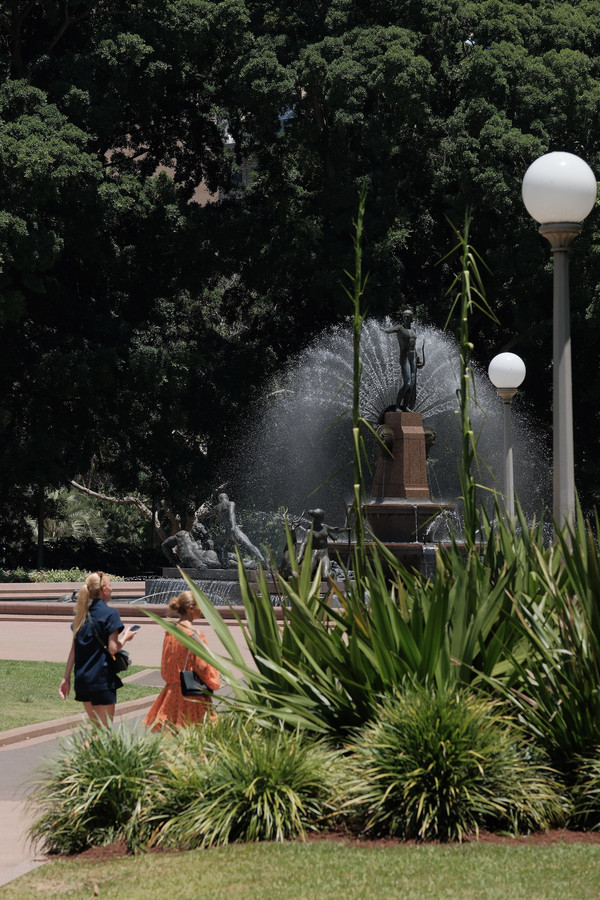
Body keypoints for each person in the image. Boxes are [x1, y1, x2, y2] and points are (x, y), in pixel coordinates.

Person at [59, 571, 137, 727]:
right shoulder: (110, 614)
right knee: (104, 731)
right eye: (110, 585)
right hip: (102, 679)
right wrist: (125, 638)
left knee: (96, 728)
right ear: (104, 590)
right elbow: (113, 649)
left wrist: (66, 678)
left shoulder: (81, 615)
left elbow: (73, 650)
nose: (112, 588)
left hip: (83, 680)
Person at [143, 591, 220, 732]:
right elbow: (202, 666)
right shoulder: (195, 636)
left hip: (172, 693)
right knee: (196, 735)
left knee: (172, 734)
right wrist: (214, 678)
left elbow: (165, 663)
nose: (202, 609)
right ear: (191, 608)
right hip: (192, 694)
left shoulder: (170, 632)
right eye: (200, 605)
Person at [384, 309, 425, 411]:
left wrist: (418, 358)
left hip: (413, 356)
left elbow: (413, 345)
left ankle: (406, 406)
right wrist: (382, 329)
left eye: (408, 317)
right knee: (407, 382)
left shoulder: (413, 330)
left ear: (411, 318)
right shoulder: (400, 328)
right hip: (405, 356)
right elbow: (390, 330)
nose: (406, 318)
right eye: (404, 316)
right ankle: (398, 405)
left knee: (412, 383)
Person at [212, 492, 265, 567]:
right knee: (248, 543)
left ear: (219, 499)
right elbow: (231, 514)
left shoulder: (216, 508)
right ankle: (262, 560)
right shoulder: (230, 503)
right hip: (232, 527)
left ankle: (224, 563)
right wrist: (233, 526)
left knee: (221, 545)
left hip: (224, 530)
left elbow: (219, 520)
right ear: (227, 498)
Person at [298, 508, 339, 579]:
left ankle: (333, 573)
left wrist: (346, 530)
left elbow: (334, 530)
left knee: (326, 577)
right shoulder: (309, 530)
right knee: (306, 575)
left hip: (324, 555)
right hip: (313, 554)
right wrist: (300, 555)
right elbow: (303, 543)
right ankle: (315, 573)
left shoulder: (324, 527)